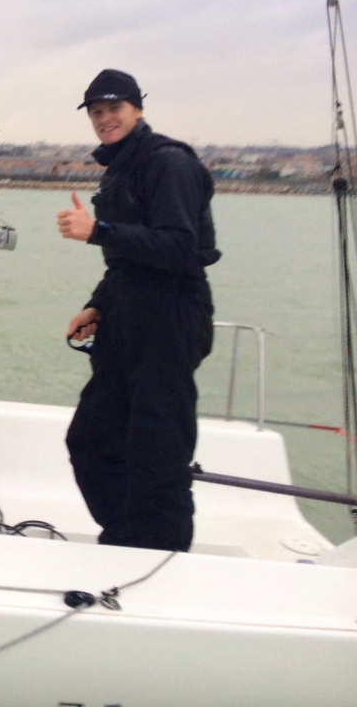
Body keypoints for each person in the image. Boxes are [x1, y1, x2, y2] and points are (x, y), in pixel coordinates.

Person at [57, 69, 219, 551]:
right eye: (97, 111)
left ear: (138, 109)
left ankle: (161, 555)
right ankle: (129, 536)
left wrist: (98, 231)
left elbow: (179, 248)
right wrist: (97, 305)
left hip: (169, 315)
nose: (105, 119)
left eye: (115, 109)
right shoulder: (122, 166)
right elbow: (129, 261)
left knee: (157, 449)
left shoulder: (168, 162)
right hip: (127, 312)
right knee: (90, 440)